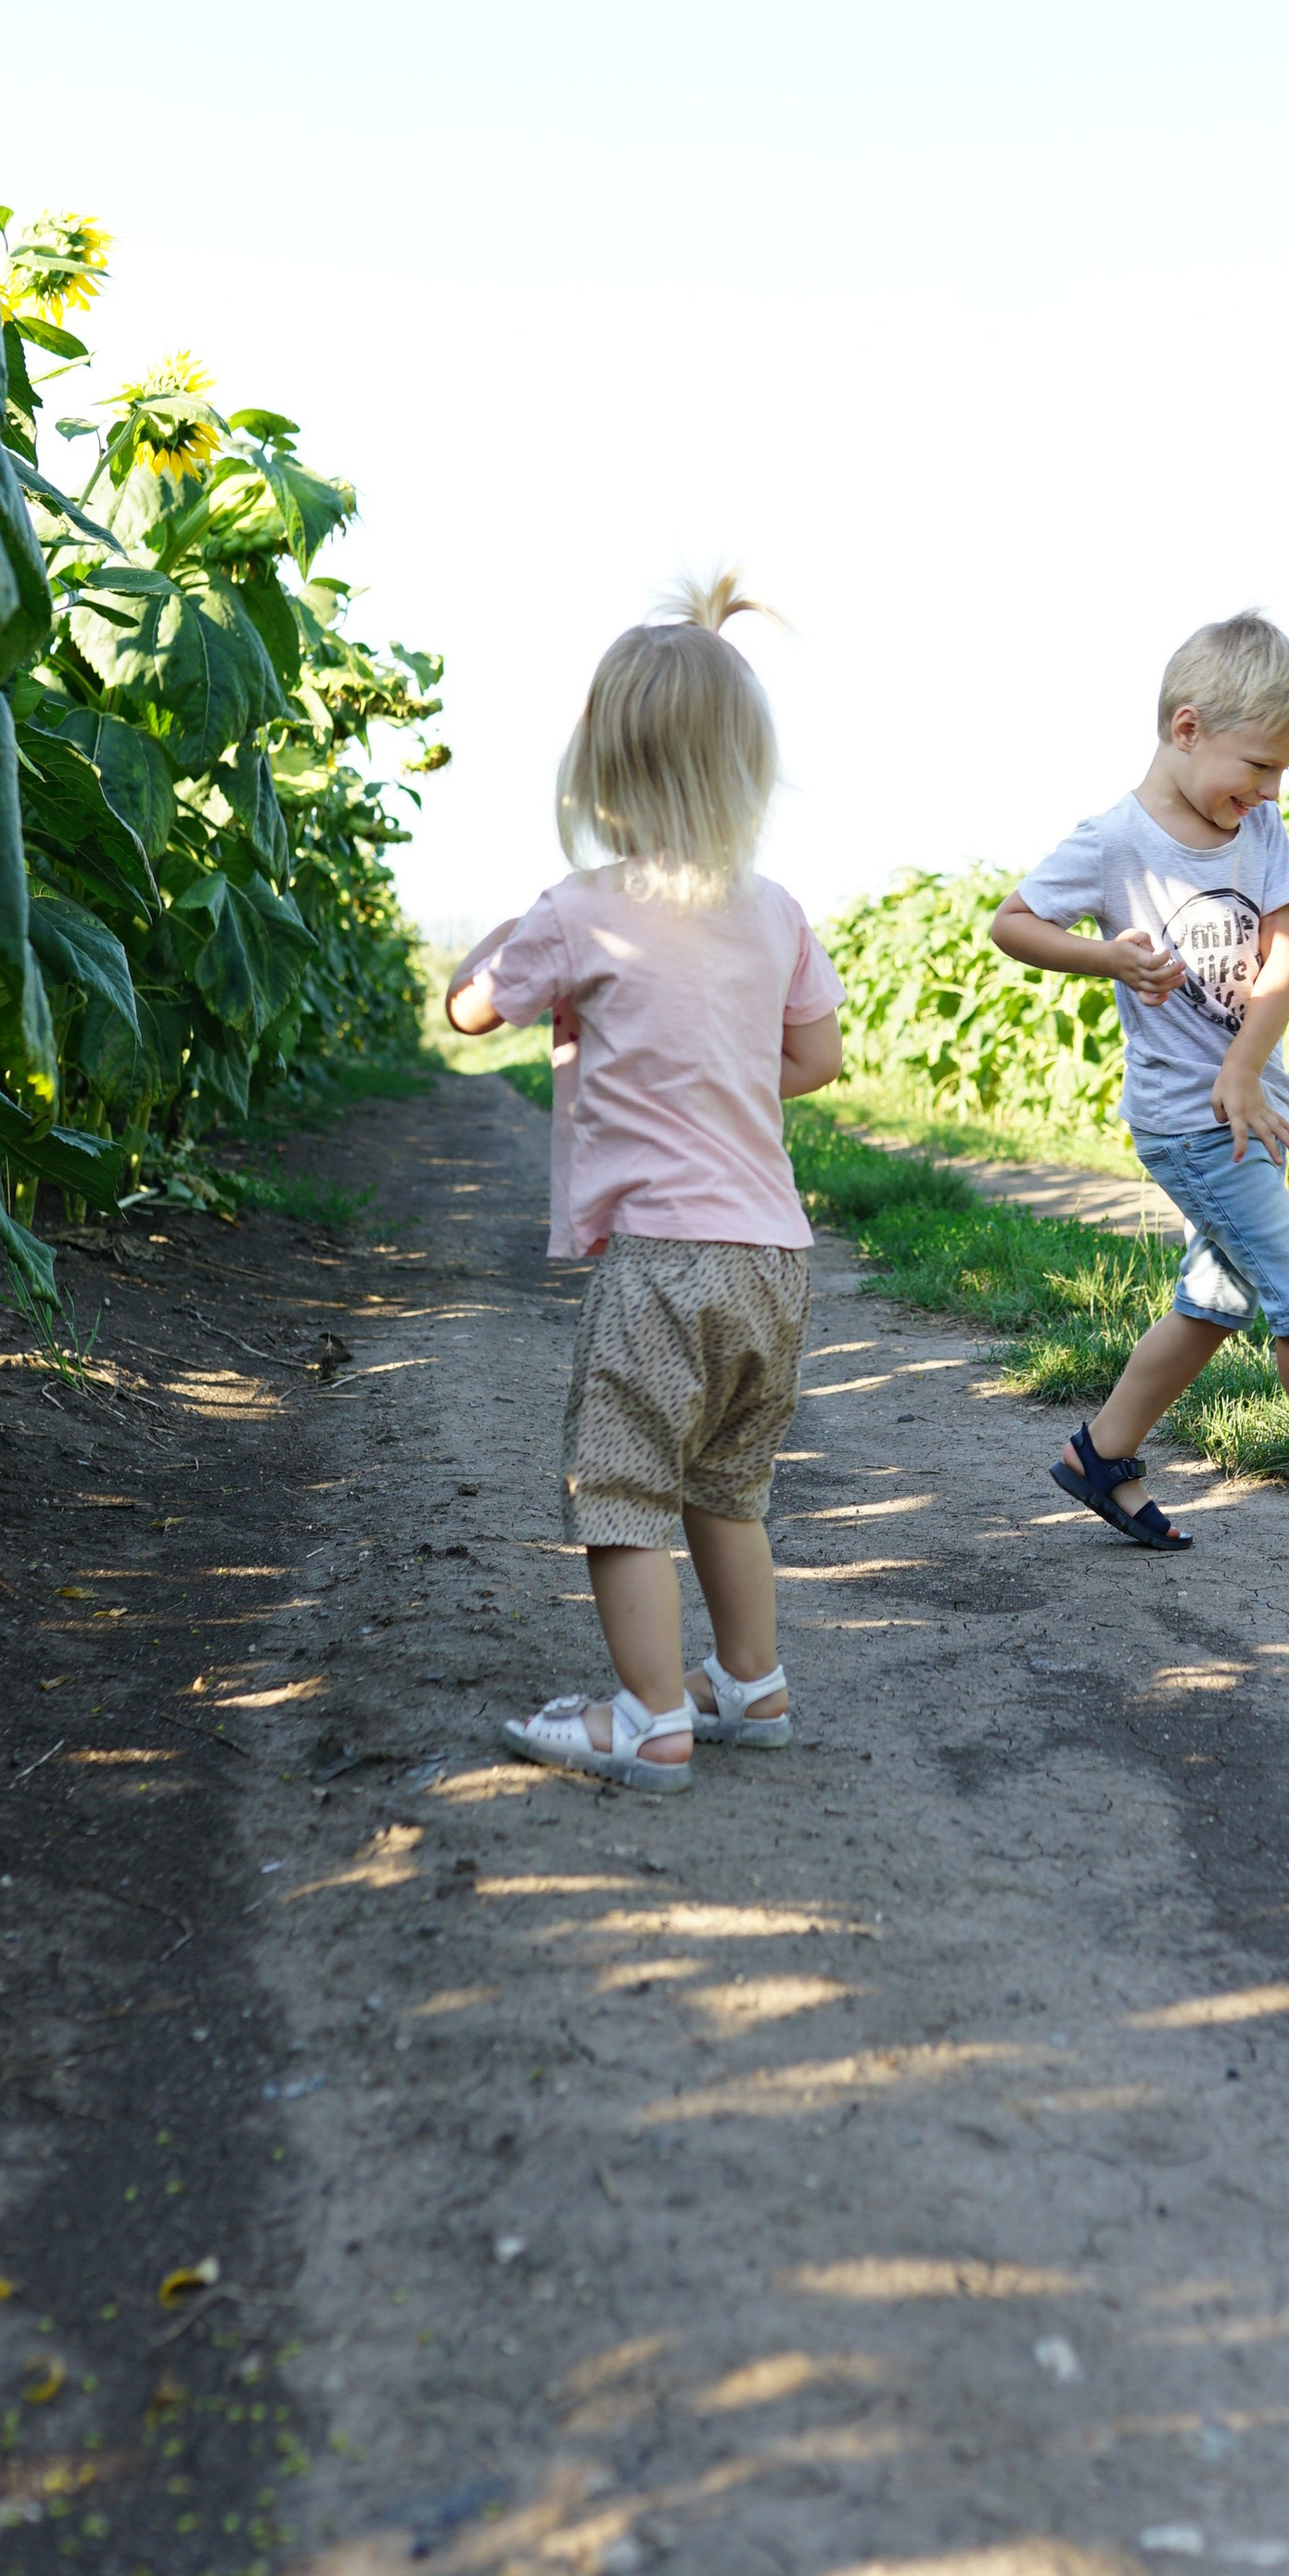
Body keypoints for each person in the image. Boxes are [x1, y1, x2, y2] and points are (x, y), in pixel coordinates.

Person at [446, 576, 846, 1793]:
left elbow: (468, 1011)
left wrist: (498, 949)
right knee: (728, 1483)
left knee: (622, 1486)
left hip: (664, 1257)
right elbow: (818, 1060)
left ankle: (650, 1717)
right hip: (774, 1257)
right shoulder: (776, 913)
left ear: (602, 772)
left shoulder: (580, 912)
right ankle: (753, 1685)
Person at [989, 608, 1289, 1561]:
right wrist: (1104, 958)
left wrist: (1248, 1066)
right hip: (1190, 1124)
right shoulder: (1116, 840)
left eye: (1284, 771)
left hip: (1246, 1108)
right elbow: (1013, 923)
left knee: (1215, 1302)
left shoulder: (1257, 828)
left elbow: (1287, 939)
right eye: (1259, 766)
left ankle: (1100, 1454)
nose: (1271, 790)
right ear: (1187, 729)